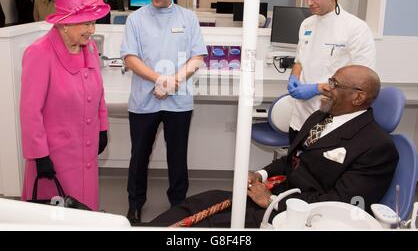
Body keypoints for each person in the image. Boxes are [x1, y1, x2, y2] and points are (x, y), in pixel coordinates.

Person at [148, 65, 398, 228]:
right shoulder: (320, 117)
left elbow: (339, 204)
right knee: (197, 203)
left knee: (208, 226)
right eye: (330, 80)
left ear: (358, 97)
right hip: (275, 196)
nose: (326, 87)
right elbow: (291, 160)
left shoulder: (377, 148)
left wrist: (271, 201)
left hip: (295, 216)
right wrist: (261, 174)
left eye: (335, 84)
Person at [120, 0, 207, 224]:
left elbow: (197, 57)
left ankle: (179, 205)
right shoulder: (136, 19)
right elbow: (130, 58)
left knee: (177, 156)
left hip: (178, 102)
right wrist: (158, 79)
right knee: (139, 156)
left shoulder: (187, 18)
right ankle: (135, 205)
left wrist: (173, 82)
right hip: (143, 101)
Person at [20, 0, 110, 211]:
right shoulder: (39, 53)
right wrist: (40, 156)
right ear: (64, 24)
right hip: (55, 158)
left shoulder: (89, 48)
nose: (92, 30)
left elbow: (99, 92)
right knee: (59, 215)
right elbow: (30, 111)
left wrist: (102, 128)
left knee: (85, 209)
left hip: (85, 151)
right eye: (86, 23)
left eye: (93, 22)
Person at [287, 0, 376, 144]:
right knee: (294, 165)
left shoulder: (356, 28)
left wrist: (316, 88)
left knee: (317, 169)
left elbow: (363, 81)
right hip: (299, 116)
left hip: (330, 118)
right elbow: (300, 59)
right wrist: (294, 77)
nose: (310, 2)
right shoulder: (307, 24)